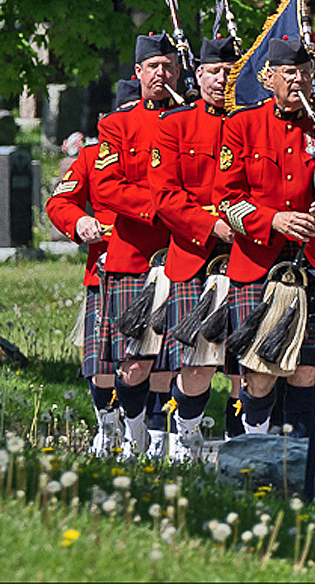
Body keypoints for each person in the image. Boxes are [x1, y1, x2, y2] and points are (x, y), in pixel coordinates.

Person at [216, 37, 315, 439]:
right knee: (260, 366)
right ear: (270, 78)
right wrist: (273, 220)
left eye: (306, 73)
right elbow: (225, 199)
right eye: (290, 73)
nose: (300, 81)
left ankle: (301, 456)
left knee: (308, 367)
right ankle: (255, 440)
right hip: (260, 261)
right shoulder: (242, 125)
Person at [149, 36, 239, 460]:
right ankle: (186, 439)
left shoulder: (251, 122)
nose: (221, 79)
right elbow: (165, 196)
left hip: (248, 254)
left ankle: (245, 447)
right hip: (195, 255)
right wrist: (210, 226)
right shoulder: (175, 125)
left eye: (229, 71)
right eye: (214, 72)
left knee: (247, 364)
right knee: (197, 362)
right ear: (197, 75)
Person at [94, 33, 181, 458]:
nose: (161, 74)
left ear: (178, 72)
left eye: (168, 67)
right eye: (153, 67)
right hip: (134, 257)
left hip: (184, 255)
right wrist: (162, 207)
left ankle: (169, 439)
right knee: (134, 362)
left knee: (175, 360)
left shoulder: (191, 121)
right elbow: (108, 188)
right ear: (139, 74)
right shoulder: (116, 126)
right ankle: (133, 433)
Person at [45, 80, 136, 456]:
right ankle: (107, 425)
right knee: (99, 358)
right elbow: (59, 203)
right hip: (104, 269)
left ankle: (139, 430)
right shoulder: (91, 156)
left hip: (156, 269)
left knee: (142, 361)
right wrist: (79, 221)